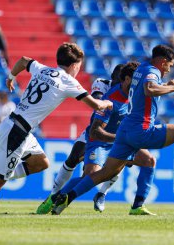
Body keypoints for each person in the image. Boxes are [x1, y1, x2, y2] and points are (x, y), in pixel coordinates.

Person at [0, 42, 113, 216]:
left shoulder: (43, 69)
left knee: (40, 163)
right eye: (79, 66)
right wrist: (107, 102)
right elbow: (96, 105)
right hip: (17, 132)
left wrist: (11, 77)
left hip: (19, 126)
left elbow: (24, 60)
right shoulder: (68, 82)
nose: (78, 70)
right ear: (74, 65)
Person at [51, 45, 174, 215]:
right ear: (162, 62)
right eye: (169, 65)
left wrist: (167, 85)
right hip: (142, 130)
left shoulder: (142, 69)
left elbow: (146, 87)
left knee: (106, 172)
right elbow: (150, 89)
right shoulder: (152, 72)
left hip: (125, 130)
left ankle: (67, 197)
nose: (169, 69)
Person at [39, 62, 157, 215]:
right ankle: (55, 198)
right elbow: (96, 131)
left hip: (121, 140)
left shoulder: (136, 97)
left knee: (149, 161)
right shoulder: (109, 99)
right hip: (100, 140)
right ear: (126, 80)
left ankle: (137, 206)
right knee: (89, 174)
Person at [34, 64, 125, 211]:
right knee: (73, 159)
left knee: (118, 165)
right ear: (112, 78)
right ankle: (53, 196)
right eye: (116, 81)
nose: (117, 85)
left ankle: (102, 194)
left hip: (115, 135)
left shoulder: (131, 92)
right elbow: (96, 101)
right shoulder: (102, 83)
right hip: (95, 132)